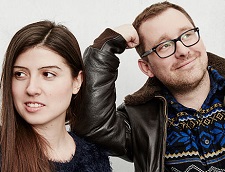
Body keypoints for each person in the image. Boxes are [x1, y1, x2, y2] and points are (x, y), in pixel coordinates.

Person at [73, 1, 225, 172]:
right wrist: (105, 47)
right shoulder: (140, 121)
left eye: (187, 34)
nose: (182, 50)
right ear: (147, 67)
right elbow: (91, 127)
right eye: (164, 45)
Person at [0, 20, 112, 172]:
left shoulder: (96, 158)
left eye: (48, 74)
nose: (31, 89)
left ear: (77, 81)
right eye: (20, 74)